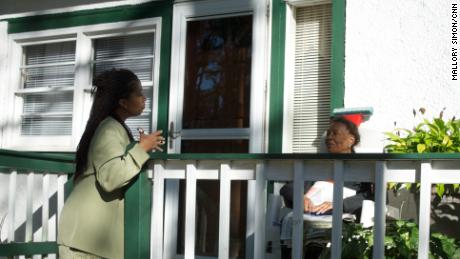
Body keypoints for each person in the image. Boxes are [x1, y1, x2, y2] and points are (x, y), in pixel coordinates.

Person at [57, 69, 165, 259]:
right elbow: (110, 178)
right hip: (85, 241)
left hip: (90, 240)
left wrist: (137, 147)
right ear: (123, 102)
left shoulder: (114, 127)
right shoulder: (108, 129)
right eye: (139, 93)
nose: (144, 98)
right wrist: (140, 149)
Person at [279, 116, 373, 259]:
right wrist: (300, 196)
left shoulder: (363, 168)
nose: (329, 137)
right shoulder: (317, 165)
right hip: (309, 216)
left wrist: (341, 204)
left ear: (351, 140)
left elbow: (372, 196)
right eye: (328, 133)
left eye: (335, 133)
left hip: (342, 221)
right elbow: (287, 188)